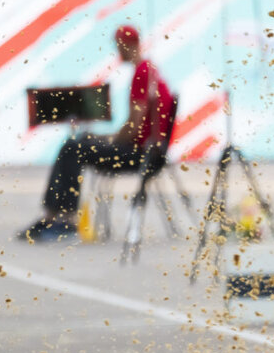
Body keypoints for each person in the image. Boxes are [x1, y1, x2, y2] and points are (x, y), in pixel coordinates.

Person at [17, 25, 175, 242]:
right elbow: (136, 127)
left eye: (119, 47)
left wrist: (108, 140)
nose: (118, 53)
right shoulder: (150, 70)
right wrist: (105, 139)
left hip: (142, 154)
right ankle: (53, 216)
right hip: (145, 149)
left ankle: (64, 221)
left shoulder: (143, 73)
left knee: (73, 147)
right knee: (77, 143)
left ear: (128, 45)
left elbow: (134, 127)